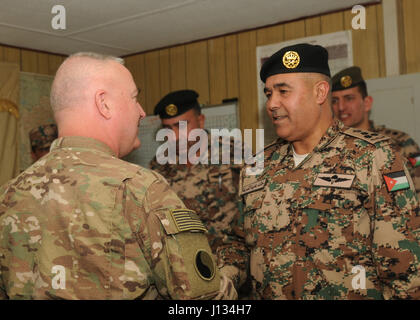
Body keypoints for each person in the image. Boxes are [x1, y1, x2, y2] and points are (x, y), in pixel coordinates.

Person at [0, 52, 236, 300]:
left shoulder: (8, 194)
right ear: (104, 103)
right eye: (134, 98)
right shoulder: (139, 188)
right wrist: (231, 275)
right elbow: (204, 298)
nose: (142, 112)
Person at [218, 43, 420, 299]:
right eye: (268, 93)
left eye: (283, 91)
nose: (272, 103)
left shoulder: (374, 156)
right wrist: (225, 277)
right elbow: (239, 242)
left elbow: (405, 269)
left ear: (320, 92)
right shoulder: (257, 166)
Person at [150, 90, 249, 295]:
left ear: (201, 120)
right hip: (184, 277)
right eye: (168, 128)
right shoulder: (158, 167)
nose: (175, 136)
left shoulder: (234, 153)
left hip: (234, 272)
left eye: (181, 126)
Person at [331, 66, 420, 197]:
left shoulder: (399, 143)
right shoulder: (328, 148)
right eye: (334, 101)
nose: (341, 107)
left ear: (367, 103)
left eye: (349, 98)